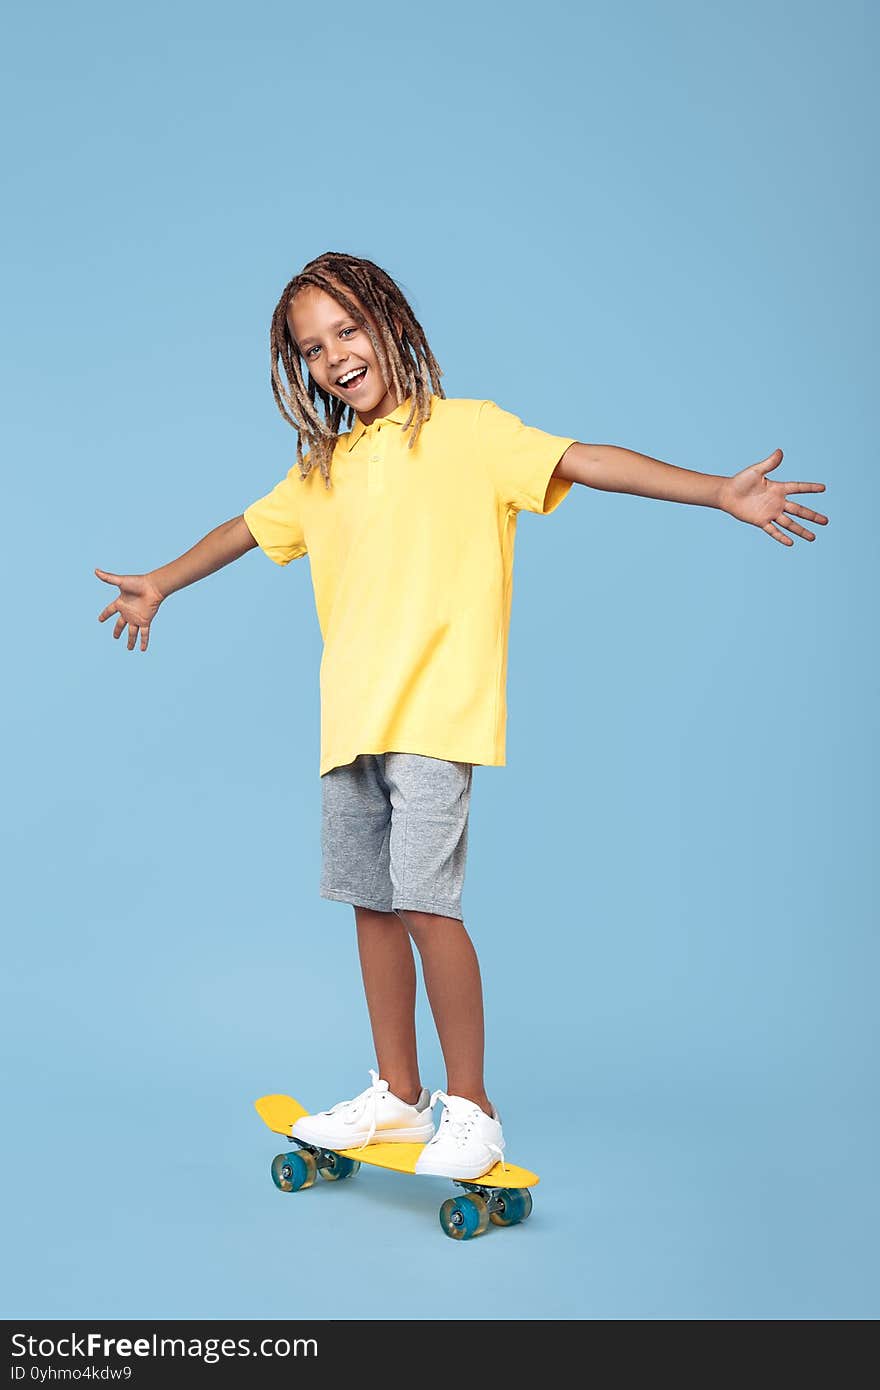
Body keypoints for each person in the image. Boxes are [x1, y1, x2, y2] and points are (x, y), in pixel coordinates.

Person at [96, 250, 829, 1180]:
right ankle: (399, 1097)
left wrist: (717, 490)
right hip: (348, 723)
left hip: (437, 716)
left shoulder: (470, 432)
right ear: (300, 368)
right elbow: (249, 527)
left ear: (390, 322)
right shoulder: (324, 465)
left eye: (347, 332)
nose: (335, 358)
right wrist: (159, 581)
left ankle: (472, 1106)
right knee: (368, 902)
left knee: (424, 904)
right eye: (313, 349)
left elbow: (589, 460)